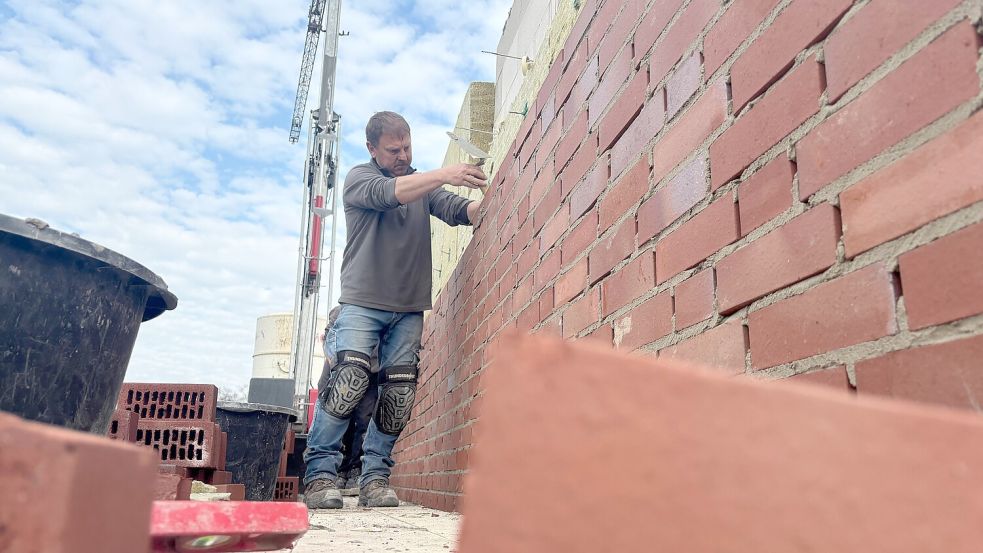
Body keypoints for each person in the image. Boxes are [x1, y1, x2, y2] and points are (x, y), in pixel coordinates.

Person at [303, 111, 486, 509]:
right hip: (362, 303)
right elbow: (392, 193)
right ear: (372, 149)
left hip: (408, 308)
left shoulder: (422, 185)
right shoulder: (359, 179)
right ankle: (319, 476)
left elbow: (455, 208)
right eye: (393, 149)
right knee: (348, 381)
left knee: (398, 394)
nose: (402, 155)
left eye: (407, 147)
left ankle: (374, 479)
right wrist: (442, 174)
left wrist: (482, 210)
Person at [322, 305, 378, 496]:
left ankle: (355, 470)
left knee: (364, 421)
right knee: (340, 421)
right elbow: (329, 339)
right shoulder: (339, 312)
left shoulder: (379, 312)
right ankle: (339, 471)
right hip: (341, 373)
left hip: (370, 374)